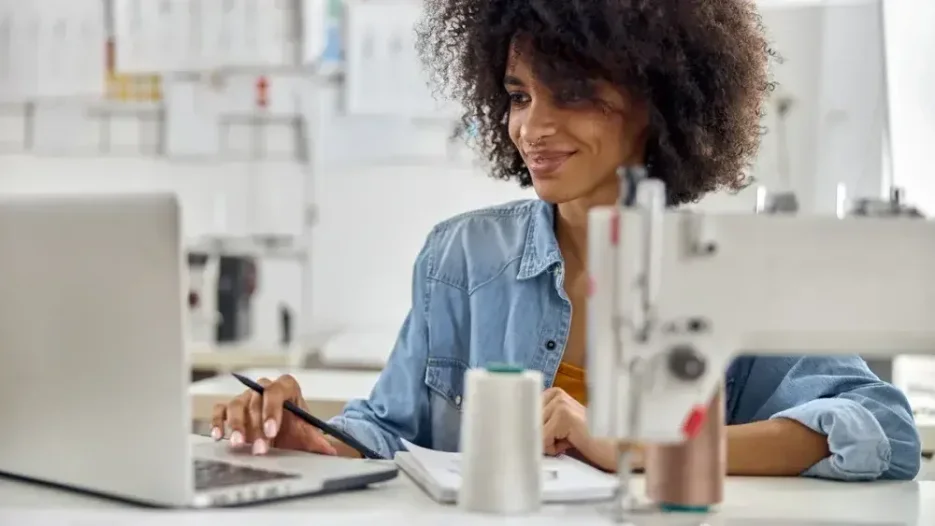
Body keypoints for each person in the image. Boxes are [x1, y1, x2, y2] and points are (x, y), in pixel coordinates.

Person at [211, 0, 922, 481]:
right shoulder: (459, 259)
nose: (531, 129)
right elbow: (390, 429)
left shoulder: (729, 266)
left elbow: (877, 429)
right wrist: (311, 433)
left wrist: (639, 447)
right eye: (519, 96)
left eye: (571, 93)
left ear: (659, 98)